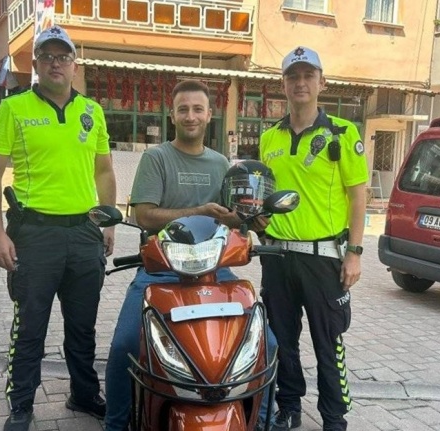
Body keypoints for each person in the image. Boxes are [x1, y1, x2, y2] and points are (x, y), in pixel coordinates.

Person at [104, 80, 275, 431]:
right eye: (184, 109)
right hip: (161, 271)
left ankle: (260, 418)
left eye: (198, 109)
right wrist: (199, 210)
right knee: (125, 344)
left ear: (209, 115)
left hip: (216, 271)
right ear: (173, 115)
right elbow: (144, 215)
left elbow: (232, 217)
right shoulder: (156, 158)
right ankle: (116, 423)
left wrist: (245, 221)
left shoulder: (222, 164)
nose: (191, 116)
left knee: (267, 344)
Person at [0, 25, 116, 431]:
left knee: (82, 326)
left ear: (75, 65)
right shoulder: (14, 109)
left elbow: (106, 170)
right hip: (34, 235)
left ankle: (84, 394)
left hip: (84, 234)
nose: (56, 63)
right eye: (48, 56)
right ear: (36, 64)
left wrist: (108, 221)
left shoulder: (92, 112)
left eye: (64, 56)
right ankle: (21, 404)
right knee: (30, 326)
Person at [258, 46, 368, 431]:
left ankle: (333, 418)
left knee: (328, 343)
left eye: (308, 75)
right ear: (283, 85)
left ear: (321, 82)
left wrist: (354, 253)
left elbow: (359, 195)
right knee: (282, 340)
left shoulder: (342, 132)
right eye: (293, 76)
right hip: (276, 257)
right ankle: (289, 408)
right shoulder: (269, 138)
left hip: (324, 260)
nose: (300, 82)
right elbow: (265, 197)